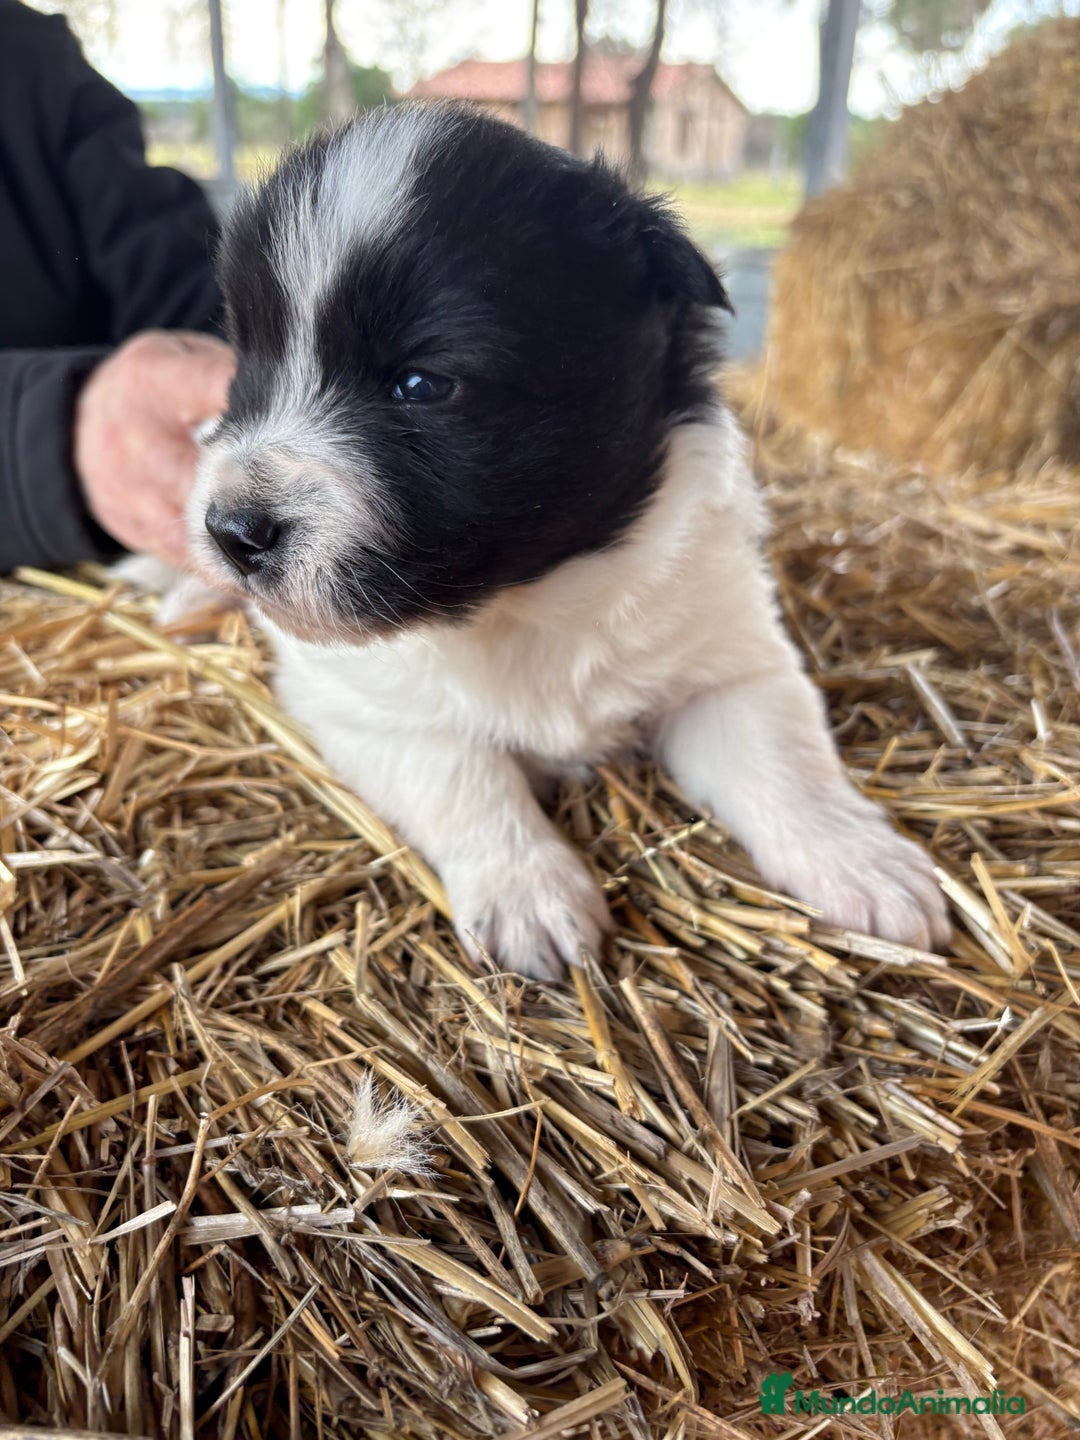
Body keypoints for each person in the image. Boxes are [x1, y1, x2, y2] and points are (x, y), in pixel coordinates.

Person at [0, 0, 235, 576]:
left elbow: (166, 258)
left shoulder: (29, 54)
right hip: (62, 586)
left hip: (136, 558)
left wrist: (235, 350)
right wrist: (62, 437)